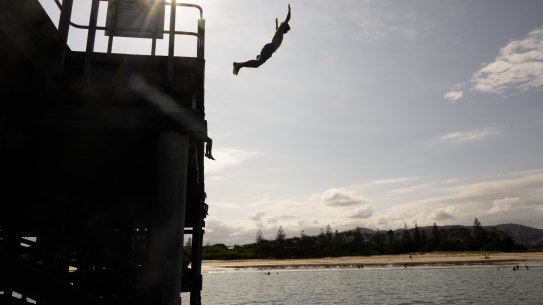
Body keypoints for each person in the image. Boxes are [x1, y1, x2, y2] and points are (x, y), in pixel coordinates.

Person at [233, 4, 291, 75]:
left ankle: (239, 65)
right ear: (284, 27)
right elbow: (287, 19)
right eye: (286, 30)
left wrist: (276, 24)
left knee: (257, 64)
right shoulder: (281, 29)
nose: (286, 32)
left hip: (271, 50)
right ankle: (238, 65)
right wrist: (289, 10)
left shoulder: (279, 32)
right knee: (258, 63)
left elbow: (276, 30)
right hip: (270, 48)